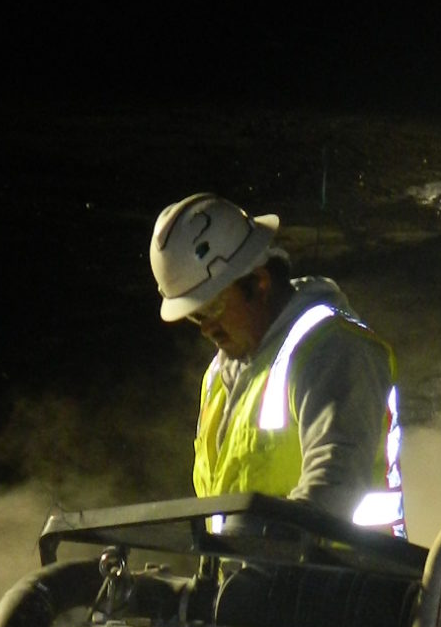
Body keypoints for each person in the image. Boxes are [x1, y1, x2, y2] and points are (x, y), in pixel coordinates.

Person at [150, 194, 405, 534]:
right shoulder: (219, 377)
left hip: (348, 581)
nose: (208, 329)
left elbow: (333, 491)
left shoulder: (334, 350)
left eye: (212, 309)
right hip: (260, 581)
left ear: (259, 283)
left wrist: (254, 557)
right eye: (196, 318)